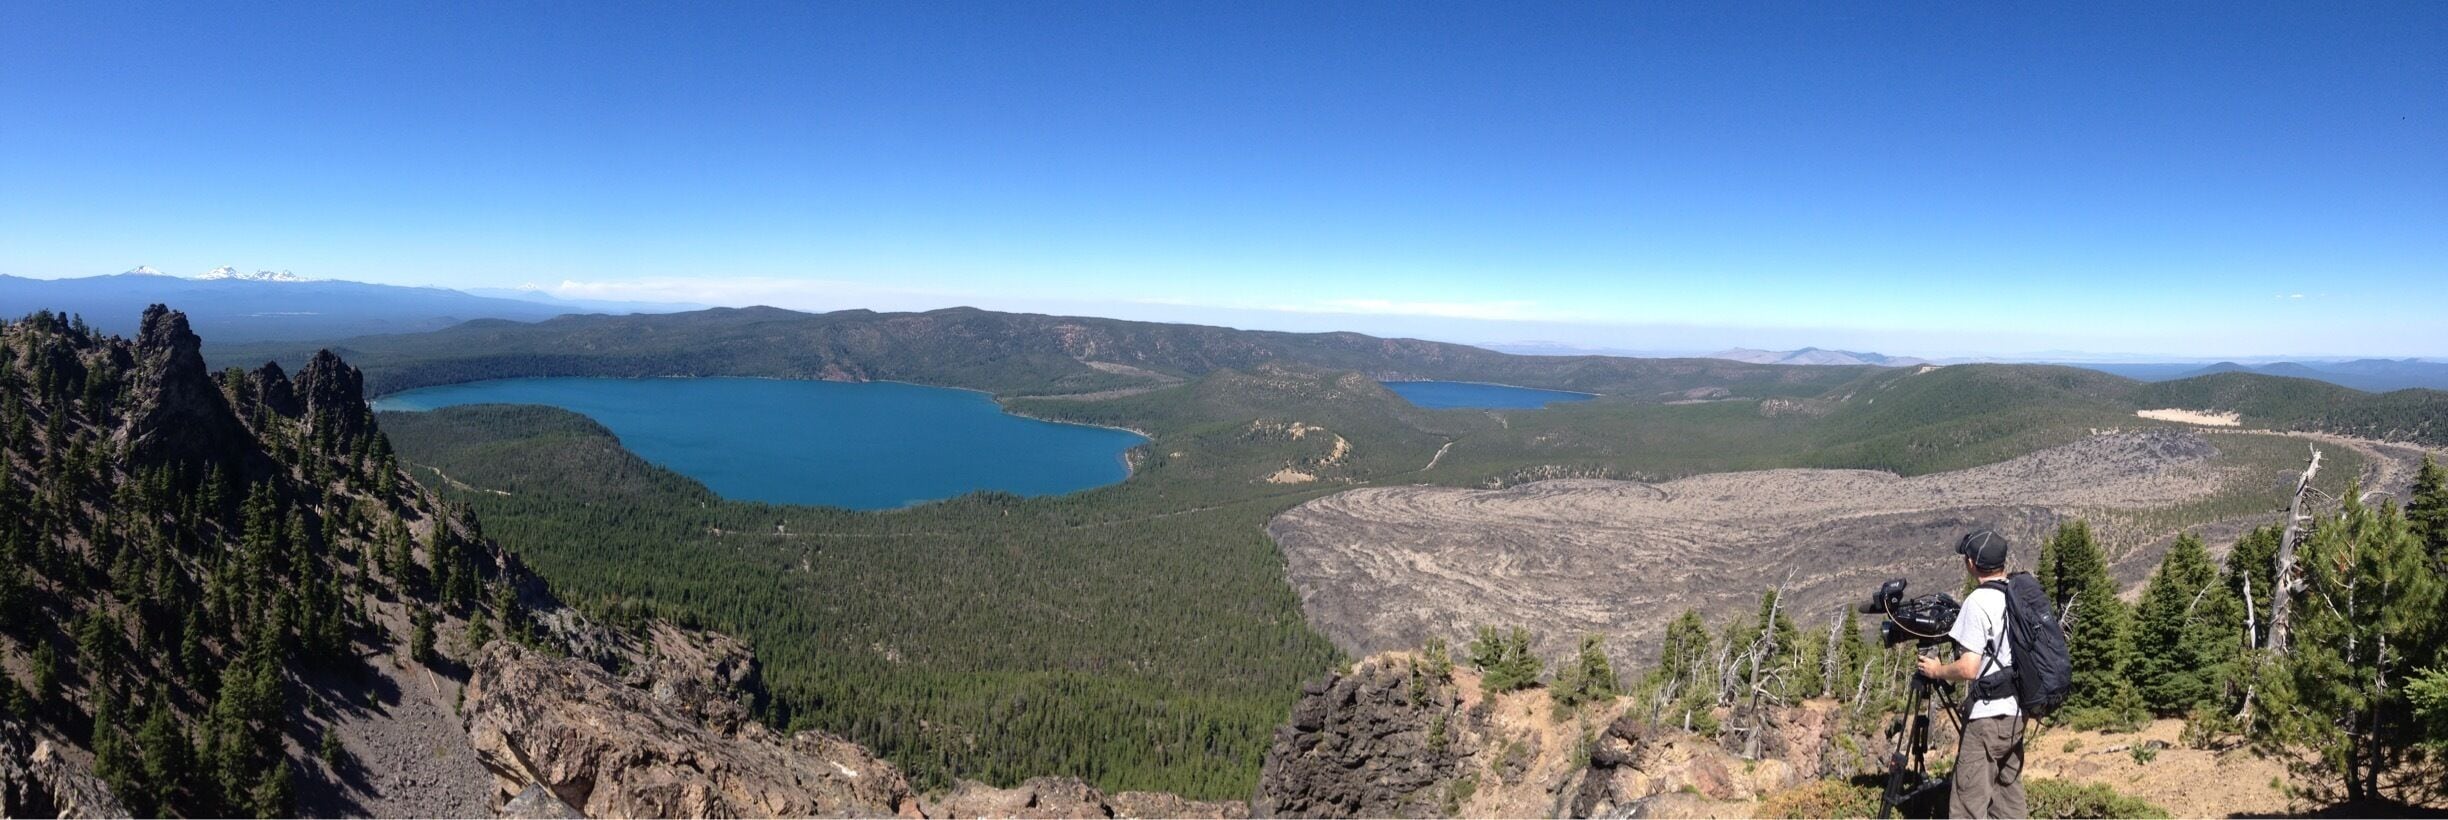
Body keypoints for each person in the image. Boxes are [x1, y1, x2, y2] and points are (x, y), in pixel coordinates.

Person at [1914, 529, 2027, 819]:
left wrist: (1938, 670)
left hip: (1987, 718)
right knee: (2008, 800)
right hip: (2016, 713)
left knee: (1967, 804)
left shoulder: (1977, 603)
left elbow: (1969, 667)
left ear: (1971, 563)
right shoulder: (2018, 596)